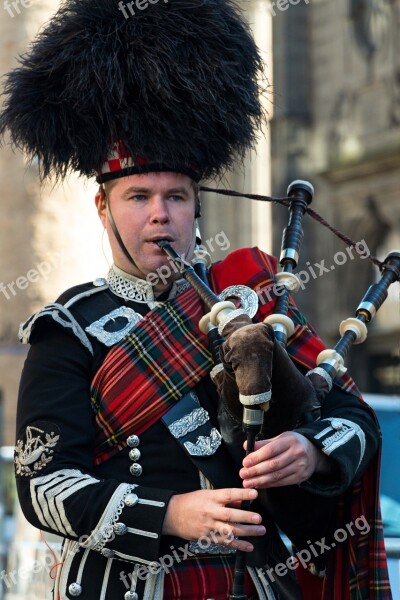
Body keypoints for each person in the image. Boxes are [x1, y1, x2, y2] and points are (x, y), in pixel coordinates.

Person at [0, 0, 391, 598]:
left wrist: (311, 450)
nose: (160, 213)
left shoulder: (254, 305)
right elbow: (42, 486)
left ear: (195, 207)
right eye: (138, 196)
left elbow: (355, 415)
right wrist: (172, 512)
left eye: (176, 196)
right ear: (103, 208)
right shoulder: (69, 329)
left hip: (256, 584)